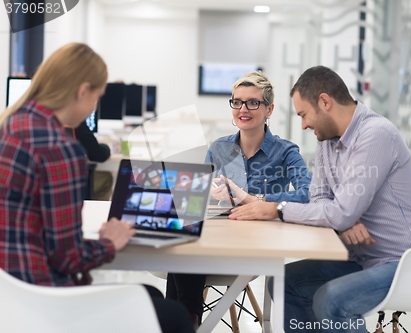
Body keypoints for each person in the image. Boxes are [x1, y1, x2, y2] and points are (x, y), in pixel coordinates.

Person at [227, 65, 411, 333]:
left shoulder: (375, 134)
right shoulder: (327, 140)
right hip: (365, 258)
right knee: (284, 283)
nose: (304, 125)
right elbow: (320, 197)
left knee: (333, 300)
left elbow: (340, 210)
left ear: (325, 102)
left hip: (410, 261)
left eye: (304, 114)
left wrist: (278, 209)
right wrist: (343, 219)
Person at [0, 43, 193, 333]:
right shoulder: (59, 149)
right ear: (82, 91)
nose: (93, 107)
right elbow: (68, 257)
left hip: (10, 297)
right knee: (174, 316)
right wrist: (109, 243)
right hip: (43, 300)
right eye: (97, 98)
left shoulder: (10, 126)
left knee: (149, 296)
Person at [166, 70, 312, 326]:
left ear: (269, 109)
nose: (243, 109)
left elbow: (306, 193)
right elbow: (196, 202)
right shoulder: (219, 148)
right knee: (183, 240)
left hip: (256, 246)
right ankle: (185, 321)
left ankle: (185, 320)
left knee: (185, 252)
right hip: (214, 240)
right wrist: (208, 191)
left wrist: (250, 197)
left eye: (253, 102)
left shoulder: (286, 152)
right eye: (237, 101)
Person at [74, 121, 114, 200]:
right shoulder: (76, 123)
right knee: (107, 178)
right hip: (73, 182)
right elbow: (99, 155)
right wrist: (106, 147)